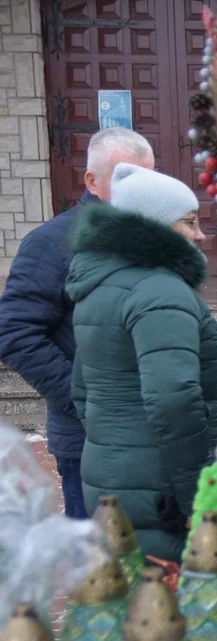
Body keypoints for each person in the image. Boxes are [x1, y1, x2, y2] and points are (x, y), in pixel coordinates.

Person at [66, 164, 217, 562]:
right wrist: (200, 498)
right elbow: (174, 402)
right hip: (160, 492)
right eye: (189, 222)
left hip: (110, 475)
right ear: (154, 227)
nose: (200, 234)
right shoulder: (160, 290)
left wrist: (115, 443)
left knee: (131, 603)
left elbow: (82, 389)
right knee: (169, 607)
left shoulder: (103, 285)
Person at [0, 128, 154, 519]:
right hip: (91, 441)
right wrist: (86, 399)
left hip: (149, 434)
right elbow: (14, 333)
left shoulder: (147, 238)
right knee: (100, 565)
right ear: (92, 181)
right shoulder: (52, 243)